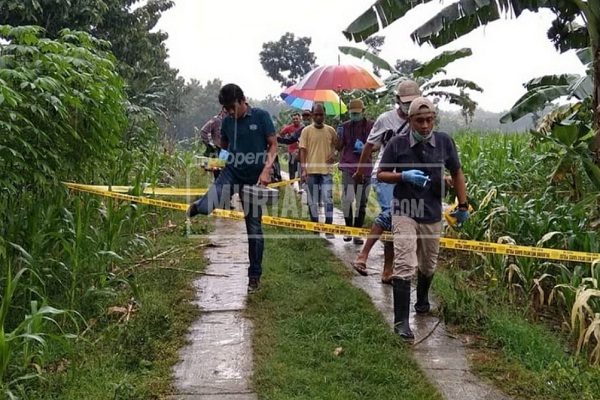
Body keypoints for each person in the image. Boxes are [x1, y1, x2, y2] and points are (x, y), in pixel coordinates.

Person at [378, 96, 469, 340]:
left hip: (431, 211)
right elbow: (382, 174)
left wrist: (463, 205)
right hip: (404, 209)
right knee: (405, 262)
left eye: (429, 120)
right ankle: (401, 322)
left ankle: (422, 299)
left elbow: (457, 172)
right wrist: (403, 176)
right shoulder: (397, 144)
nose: (425, 126)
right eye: (419, 121)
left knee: (428, 263)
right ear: (410, 120)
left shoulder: (444, 142)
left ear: (434, 119)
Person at [187, 83, 278, 293]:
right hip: (231, 174)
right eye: (226, 109)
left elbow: (273, 144)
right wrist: (218, 163)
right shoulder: (227, 121)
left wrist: (266, 171)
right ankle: (197, 207)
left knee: (254, 229)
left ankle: (254, 276)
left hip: (254, 180)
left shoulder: (261, 116)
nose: (229, 112)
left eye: (232, 107)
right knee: (207, 206)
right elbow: (226, 147)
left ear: (242, 100)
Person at [351, 80, 421, 282]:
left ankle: (387, 271)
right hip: (384, 174)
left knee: (394, 222)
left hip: (407, 177)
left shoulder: (420, 121)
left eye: (413, 101)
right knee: (392, 212)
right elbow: (368, 147)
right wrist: (360, 172)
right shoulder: (385, 119)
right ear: (397, 100)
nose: (409, 105)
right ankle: (362, 256)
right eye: (406, 101)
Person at [335, 99, 374, 245]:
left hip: (365, 167)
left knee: (361, 202)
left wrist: (366, 148)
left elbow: (376, 145)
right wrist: (339, 135)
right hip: (348, 166)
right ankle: (348, 229)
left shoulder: (371, 125)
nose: (354, 116)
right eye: (352, 114)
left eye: (357, 113)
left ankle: (357, 232)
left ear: (363, 112)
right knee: (347, 200)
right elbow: (339, 147)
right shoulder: (345, 126)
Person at [299, 102, 337, 238]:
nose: (319, 117)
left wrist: (334, 154)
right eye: (316, 115)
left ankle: (328, 227)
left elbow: (338, 146)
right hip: (311, 171)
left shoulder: (331, 130)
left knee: (328, 198)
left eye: (321, 114)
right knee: (312, 200)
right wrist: (303, 169)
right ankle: (315, 226)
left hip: (326, 171)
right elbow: (302, 151)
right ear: (312, 116)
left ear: (325, 115)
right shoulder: (306, 131)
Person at [200, 108, 227, 179]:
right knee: (218, 175)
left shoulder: (231, 121)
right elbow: (203, 131)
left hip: (227, 153)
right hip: (218, 153)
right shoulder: (216, 121)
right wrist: (210, 145)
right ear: (223, 110)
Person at [278, 112, 303, 180]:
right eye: (294, 119)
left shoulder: (303, 128)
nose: (295, 120)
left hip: (302, 151)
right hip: (292, 151)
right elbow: (281, 134)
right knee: (292, 168)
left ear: (300, 119)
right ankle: (291, 183)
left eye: (296, 119)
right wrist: (287, 138)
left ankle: (300, 183)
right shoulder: (288, 128)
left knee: (301, 168)